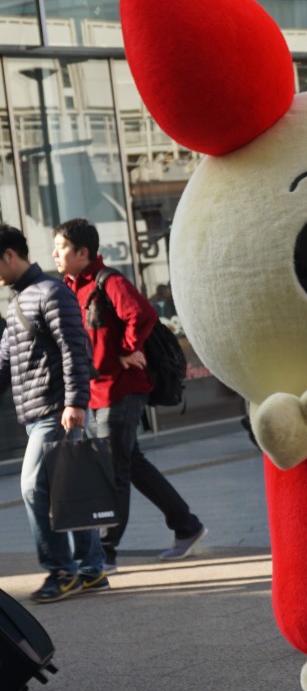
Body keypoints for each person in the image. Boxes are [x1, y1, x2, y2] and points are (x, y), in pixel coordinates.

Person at [52, 218, 207, 570]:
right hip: (98, 392)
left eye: (61, 248)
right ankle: (187, 525)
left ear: (82, 252)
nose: (55, 254)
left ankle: (105, 551)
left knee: (113, 469)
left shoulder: (109, 281)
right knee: (130, 463)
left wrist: (124, 349)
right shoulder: (70, 286)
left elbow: (142, 314)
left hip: (122, 389)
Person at [0, 224, 109, 602]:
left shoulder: (51, 292)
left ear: (10, 256)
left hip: (55, 410)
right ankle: (92, 570)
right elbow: (5, 361)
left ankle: (62, 571)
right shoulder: (18, 301)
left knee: (34, 486)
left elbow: (74, 348)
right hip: (37, 413)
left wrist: (76, 402)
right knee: (69, 489)